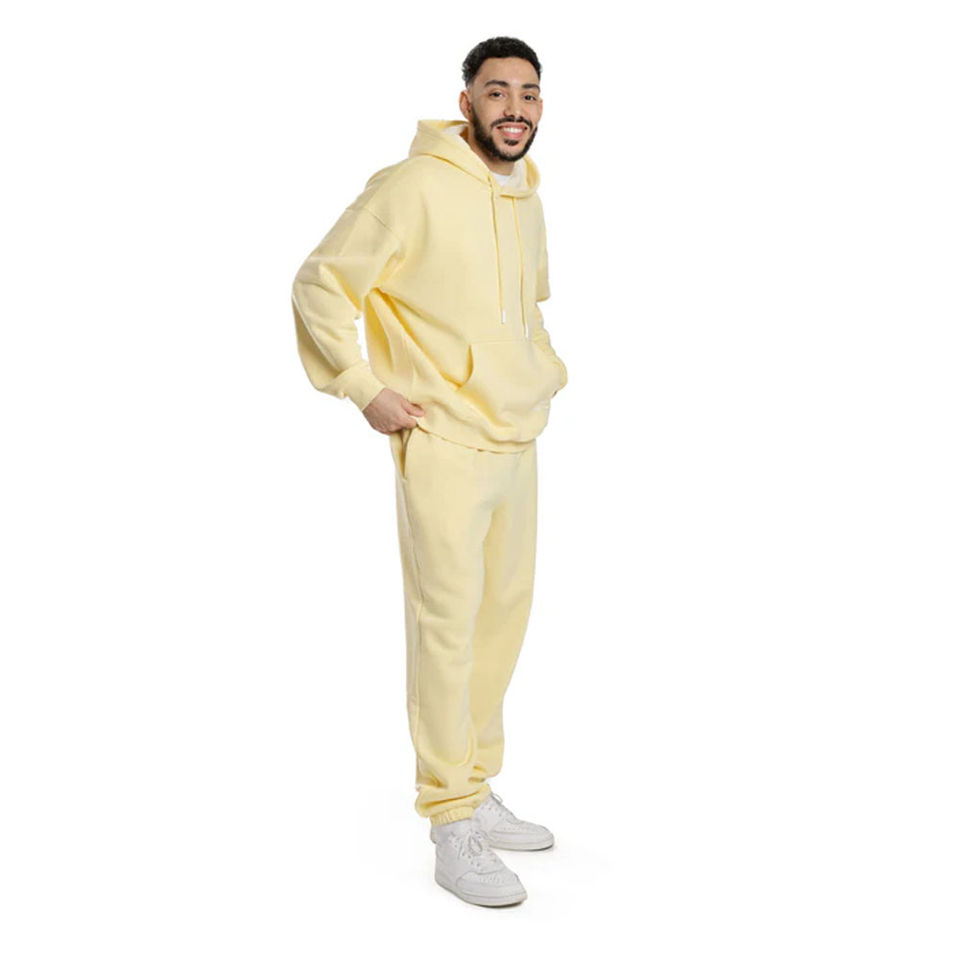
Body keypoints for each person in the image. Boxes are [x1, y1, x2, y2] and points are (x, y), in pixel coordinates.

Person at [290, 36, 567, 907]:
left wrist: (539, 371)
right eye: (498, 91)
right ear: (467, 100)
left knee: (501, 622)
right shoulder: (412, 186)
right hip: (443, 438)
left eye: (529, 93)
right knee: (446, 628)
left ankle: (476, 787)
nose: (515, 108)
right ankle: (450, 819)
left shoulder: (525, 195)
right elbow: (320, 283)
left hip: (517, 437)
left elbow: (523, 310)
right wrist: (363, 388)